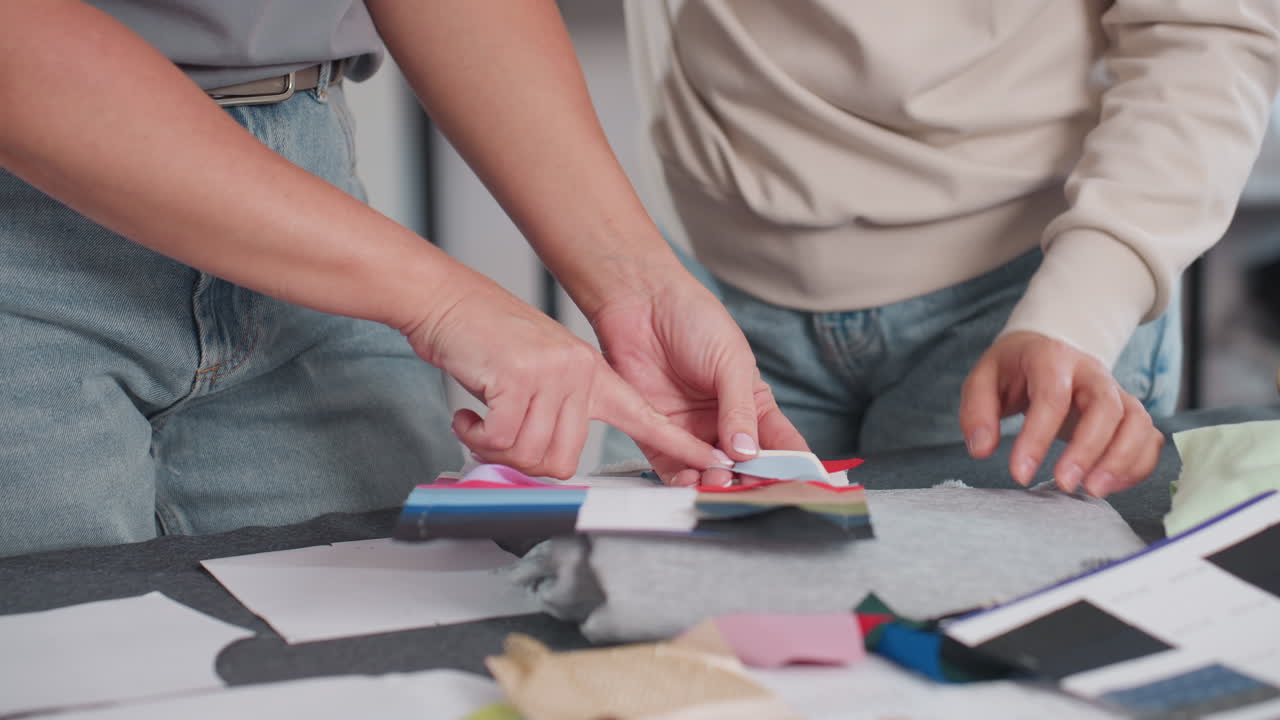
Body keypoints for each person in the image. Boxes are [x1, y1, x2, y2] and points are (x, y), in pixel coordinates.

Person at [0, 1, 807, 557]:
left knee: (421, 624)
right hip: (28, 215)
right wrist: (445, 299)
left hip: (302, 182)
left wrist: (636, 285)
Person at [604, 0, 1280, 499]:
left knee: (992, 666)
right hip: (697, 284)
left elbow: (1209, 28)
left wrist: (1085, 306)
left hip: (1031, 301)